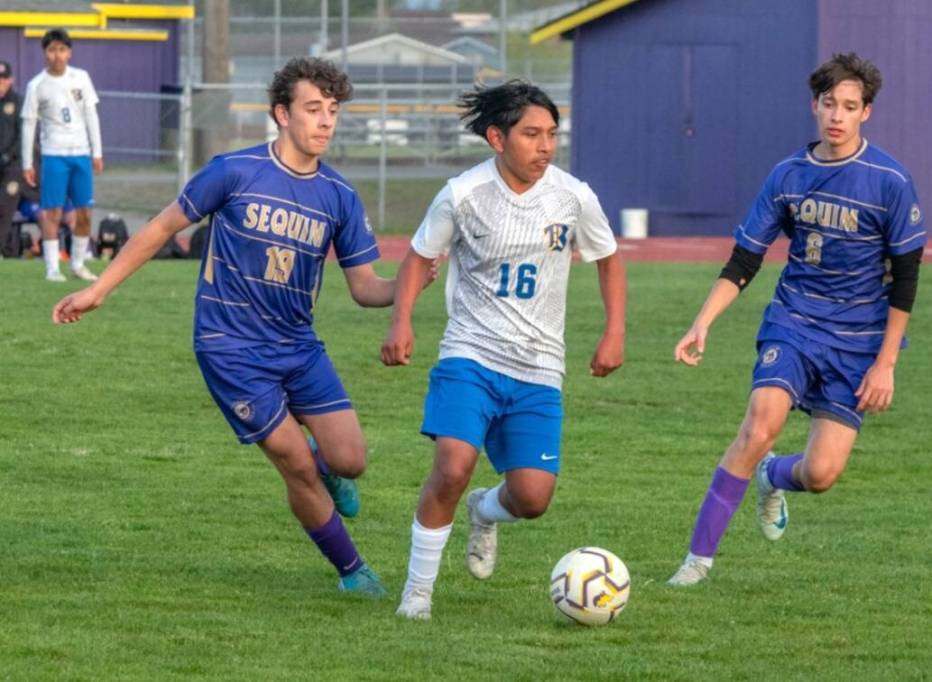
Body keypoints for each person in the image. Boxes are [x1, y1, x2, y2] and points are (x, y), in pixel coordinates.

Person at [53, 57, 434, 597]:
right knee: (296, 465)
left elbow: (366, 287)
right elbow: (162, 227)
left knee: (350, 460)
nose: (325, 121)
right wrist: (98, 289)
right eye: (312, 109)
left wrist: (413, 281)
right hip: (228, 346)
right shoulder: (233, 171)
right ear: (282, 113)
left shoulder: (340, 197)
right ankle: (353, 569)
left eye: (332, 111)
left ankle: (331, 471)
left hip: (298, 346)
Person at [667, 53, 927, 586]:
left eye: (849, 106)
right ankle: (696, 562)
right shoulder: (788, 176)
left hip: (859, 341)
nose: (837, 115)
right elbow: (745, 259)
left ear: (866, 113)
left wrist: (886, 365)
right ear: (815, 105)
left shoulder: (891, 182)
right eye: (829, 103)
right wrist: (702, 322)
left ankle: (773, 478)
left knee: (821, 474)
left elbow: (906, 280)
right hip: (794, 322)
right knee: (761, 424)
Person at [381, 80, 627, 620]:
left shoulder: (573, 195)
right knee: (452, 465)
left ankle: (485, 512)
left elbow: (608, 258)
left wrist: (614, 332)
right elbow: (419, 257)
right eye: (531, 135)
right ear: (497, 137)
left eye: (551, 135)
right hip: (470, 354)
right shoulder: (462, 195)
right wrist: (401, 323)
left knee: (533, 499)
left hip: (540, 367)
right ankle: (417, 594)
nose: (545, 147)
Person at [21, 28, 102, 281]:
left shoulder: (82, 78)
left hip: (81, 154)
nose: (57, 55)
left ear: (69, 52)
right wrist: (27, 163)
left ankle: (78, 264)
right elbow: (28, 124)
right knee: (52, 212)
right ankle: (52, 268)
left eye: (62, 49)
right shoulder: (36, 85)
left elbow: (91, 115)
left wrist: (97, 151)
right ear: (45, 53)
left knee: (85, 212)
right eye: (52, 50)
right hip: (54, 154)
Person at [0, 60, 21, 258]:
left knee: (5, 205)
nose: (1, 82)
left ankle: (2, 249)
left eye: (4, 78)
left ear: (10, 80)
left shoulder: (18, 102)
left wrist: (8, 155)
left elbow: (22, 136)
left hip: (12, 165)